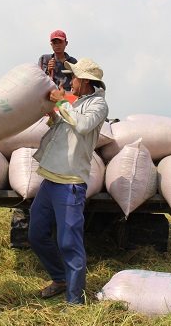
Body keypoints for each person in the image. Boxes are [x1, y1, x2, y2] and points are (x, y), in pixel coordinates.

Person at [28, 58, 109, 304]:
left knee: (69, 243)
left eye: (73, 77)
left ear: (84, 81)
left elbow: (82, 125)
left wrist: (62, 102)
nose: (70, 81)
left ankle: (75, 300)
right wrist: (54, 113)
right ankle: (60, 278)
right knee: (36, 234)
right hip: (51, 179)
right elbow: (62, 125)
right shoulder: (76, 102)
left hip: (70, 183)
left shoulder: (98, 105)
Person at [10, 29, 78, 249]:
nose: (56, 46)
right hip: (48, 98)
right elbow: (38, 83)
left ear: (66, 43)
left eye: (59, 42)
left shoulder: (73, 62)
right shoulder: (44, 60)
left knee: (70, 120)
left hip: (66, 100)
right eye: (53, 43)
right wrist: (48, 74)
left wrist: (63, 97)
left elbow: (74, 89)